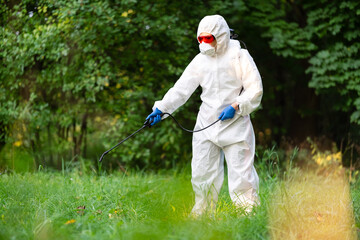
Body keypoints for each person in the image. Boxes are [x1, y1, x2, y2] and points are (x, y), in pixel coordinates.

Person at [146, 15, 263, 216]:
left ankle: (248, 215)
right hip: (206, 124)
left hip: (235, 124)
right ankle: (202, 216)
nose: (203, 43)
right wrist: (162, 109)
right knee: (202, 172)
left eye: (208, 38)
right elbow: (181, 89)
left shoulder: (239, 56)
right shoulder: (200, 60)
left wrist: (236, 105)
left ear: (221, 36)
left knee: (242, 175)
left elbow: (255, 89)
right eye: (200, 39)